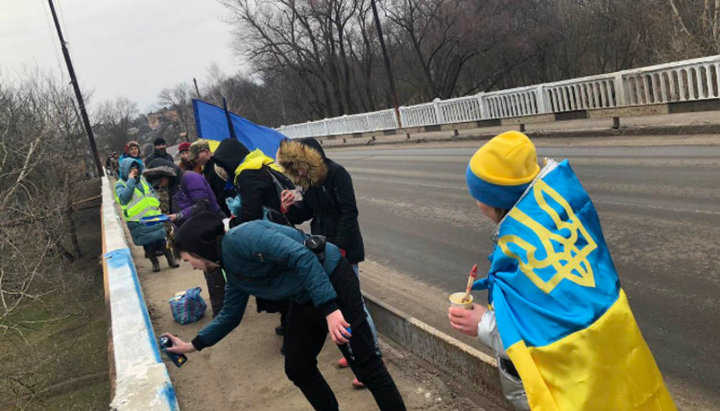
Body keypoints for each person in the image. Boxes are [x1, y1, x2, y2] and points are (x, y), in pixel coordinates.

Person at [447, 131, 674, 410]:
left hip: (577, 392)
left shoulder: (526, 255)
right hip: (623, 371)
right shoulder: (559, 226)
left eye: (478, 195)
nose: (476, 202)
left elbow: (545, 342)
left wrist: (483, 325)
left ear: (495, 200)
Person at [163, 211, 406, 411]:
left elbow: (302, 256)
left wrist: (331, 309)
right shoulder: (231, 269)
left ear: (198, 250)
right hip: (304, 297)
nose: (192, 267)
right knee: (297, 366)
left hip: (331, 281)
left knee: (366, 365)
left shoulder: (243, 237)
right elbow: (230, 315)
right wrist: (192, 345)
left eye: (188, 260)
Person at [277, 137, 379, 388]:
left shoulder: (337, 174)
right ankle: (355, 352)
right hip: (323, 247)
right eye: (293, 168)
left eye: (300, 166)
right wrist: (290, 208)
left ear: (312, 160)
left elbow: (349, 211)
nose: (298, 172)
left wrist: (341, 247)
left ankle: (372, 355)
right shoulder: (310, 182)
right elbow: (310, 212)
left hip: (344, 248)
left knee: (355, 304)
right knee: (339, 305)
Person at [212, 138, 295, 336]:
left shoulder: (248, 175)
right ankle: (289, 322)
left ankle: (293, 327)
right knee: (283, 280)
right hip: (278, 227)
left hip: (269, 233)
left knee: (280, 283)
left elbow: (251, 213)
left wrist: (231, 225)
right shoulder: (258, 164)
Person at [143, 158, 225, 316]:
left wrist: (179, 215)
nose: (160, 185)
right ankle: (221, 307)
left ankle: (220, 310)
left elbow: (203, 204)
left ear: (167, 174)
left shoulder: (190, 179)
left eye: (160, 181)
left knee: (212, 269)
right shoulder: (174, 185)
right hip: (197, 231)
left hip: (211, 228)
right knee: (209, 271)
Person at [114, 157, 174, 272]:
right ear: (126, 169)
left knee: (162, 239)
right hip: (138, 219)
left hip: (153, 214)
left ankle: (170, 259)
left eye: (136, 167)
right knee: (148, 243)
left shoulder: (142, 179)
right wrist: (131, 180)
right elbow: (124, 198)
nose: (135, 170)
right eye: (132, 168)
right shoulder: (120, 184)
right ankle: (155, 263)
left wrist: (156, 201)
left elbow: (150, 190)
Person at [188, 140, 236, 217]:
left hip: (232, 207)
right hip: (223, 210)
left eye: (197, 157)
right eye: (194, 159)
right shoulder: (205, 169)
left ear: (207, 152)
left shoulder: (218, 165)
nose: (196, 160)